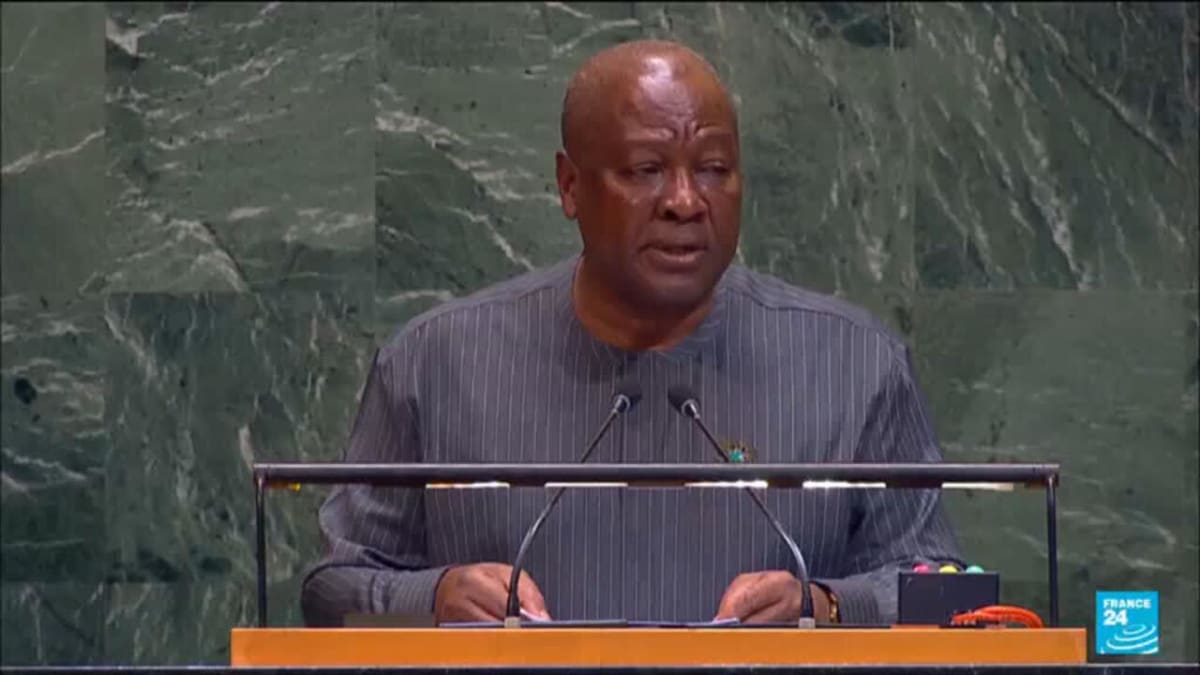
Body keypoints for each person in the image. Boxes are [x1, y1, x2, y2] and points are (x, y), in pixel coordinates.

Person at [301, 39, 961, 627]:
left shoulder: (855, 362)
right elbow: (332, 591)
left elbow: (950, 597)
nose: (684, 200)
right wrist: (435, 595)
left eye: (713, 168)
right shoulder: (436, 362)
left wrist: (826, 606)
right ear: (569, 186)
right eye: (647, 170)